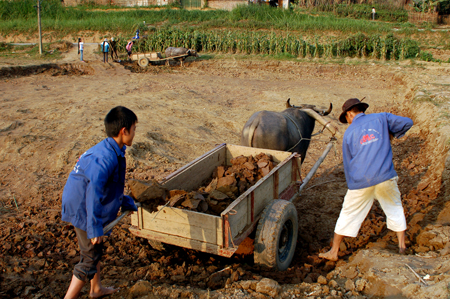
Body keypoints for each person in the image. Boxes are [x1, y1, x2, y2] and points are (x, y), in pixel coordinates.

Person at [319, 98, 413, 262]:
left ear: (349, 114)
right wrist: (391, 134)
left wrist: (353, 184)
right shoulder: (381, 118)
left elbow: (348, 163)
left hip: (360, 182)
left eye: (346, 119)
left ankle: (333, 252)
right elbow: (407, 122)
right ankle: (402, 247)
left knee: (348, 214)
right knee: (395, 209)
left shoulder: (349, 133)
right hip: (384, 176)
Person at [61, 106, 138, 299]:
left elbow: (108, 186)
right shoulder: (105, 157)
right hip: (82, 206)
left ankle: (96, 289)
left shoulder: (112, 149)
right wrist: (94, 226)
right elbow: (93, 192)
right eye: (134, 129)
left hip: (83, 201)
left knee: (94, 249)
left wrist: (124, 201)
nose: (135, 133)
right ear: (124, 131)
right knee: (89, 258)